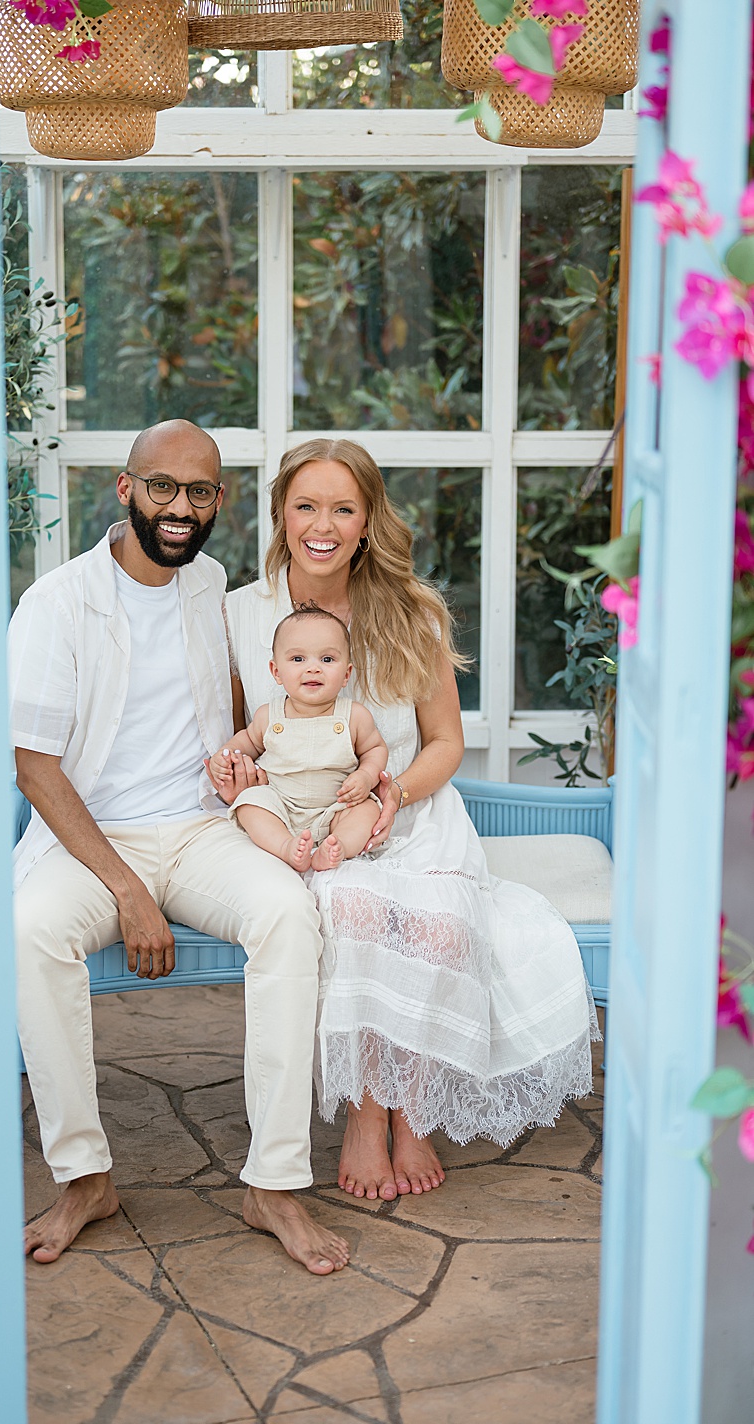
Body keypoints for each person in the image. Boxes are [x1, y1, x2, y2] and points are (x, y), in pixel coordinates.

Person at [9, 418, 351, 1277]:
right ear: (125, 489)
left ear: (219, 502)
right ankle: (85, 1177)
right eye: (161, 486)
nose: (179, 507)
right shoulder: (57, 602)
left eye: (199, 492)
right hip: (94, 840)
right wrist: (125, 889)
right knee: (30, 931)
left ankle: (274, 1183)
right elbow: (33, 765)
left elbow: (233, 698)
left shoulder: (210, 585)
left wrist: (258, 759)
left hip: (202, 829)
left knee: (286, 913)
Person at [221, 438, 597, 1201]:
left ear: (367, 521)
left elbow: (445, 743)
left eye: (343, 508)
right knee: (349, 909)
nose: (321, 525)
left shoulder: (410, 610)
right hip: (310, 819)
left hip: (407, 805)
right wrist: (246, 774)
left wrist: (390, 791)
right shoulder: (241, 612)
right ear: (279, 514)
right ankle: (367, 1114)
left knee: (441, 923)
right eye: (305, 505)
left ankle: (413, 1109)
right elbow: (252, 734)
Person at [211, 606, 389, 873]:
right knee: (250, 804)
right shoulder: (268, 716)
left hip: (336, 807)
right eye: (298, 659)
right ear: (276, 671)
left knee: (366, 811)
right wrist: (224, 757)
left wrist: (366, 776)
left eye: (327, 660)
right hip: (281, 805)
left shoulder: (354, 716)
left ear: (347, 674)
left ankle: (335, 846)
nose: (313, 669)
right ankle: (286, 847)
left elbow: (375, 749)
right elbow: (245, 741)